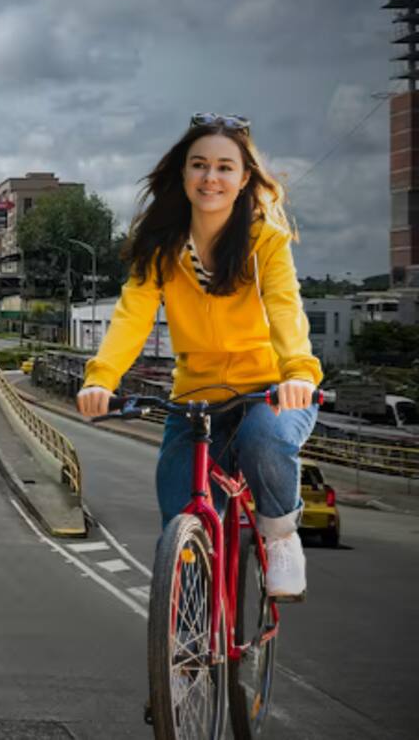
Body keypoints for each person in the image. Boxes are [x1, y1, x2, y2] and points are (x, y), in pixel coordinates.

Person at [76, 113, 321, 601]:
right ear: (183, 174)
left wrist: (295, 371)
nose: (211, 178)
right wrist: (100, 378)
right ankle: (187, 632)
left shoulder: (265, 243)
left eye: (225, 168)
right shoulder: (161, 248)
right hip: (197, 398)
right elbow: (131, 316)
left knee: (262, 438)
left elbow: (284, 307)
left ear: (245, 177)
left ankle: (280, 536)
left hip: (272, 391)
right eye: (200, 165)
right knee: (178, 504)